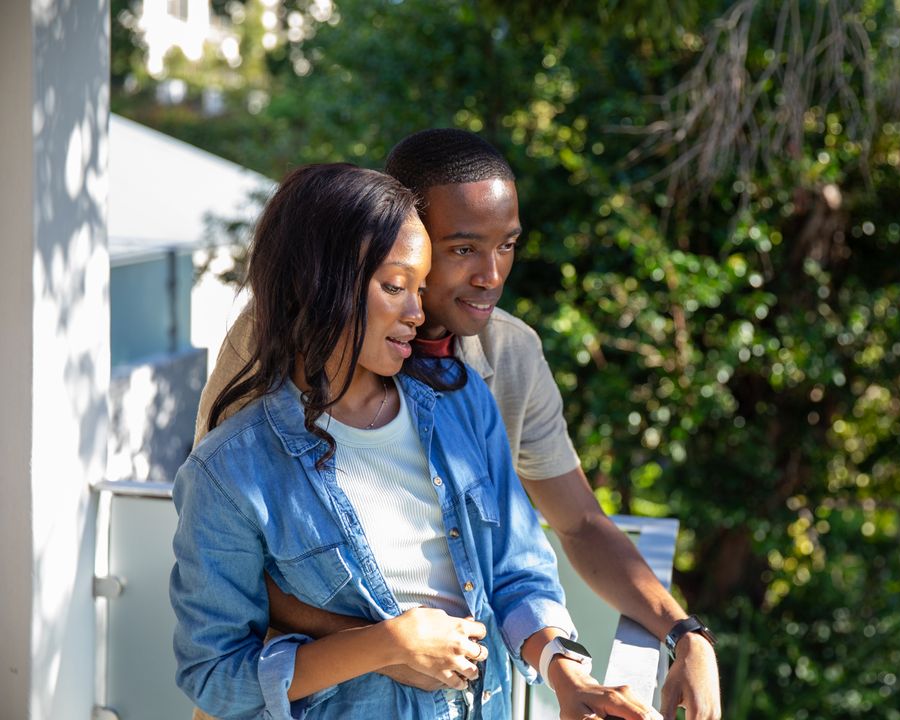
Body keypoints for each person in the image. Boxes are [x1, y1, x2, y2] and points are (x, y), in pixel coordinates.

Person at [197, 130, 721, 720]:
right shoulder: (272, 343)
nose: (491, 275)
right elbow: (229, 542)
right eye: (464, 248)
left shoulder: (505, 358)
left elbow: (572, 527)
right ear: (403, 232)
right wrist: (382, 645)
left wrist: (683, 632)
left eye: (508, 245)